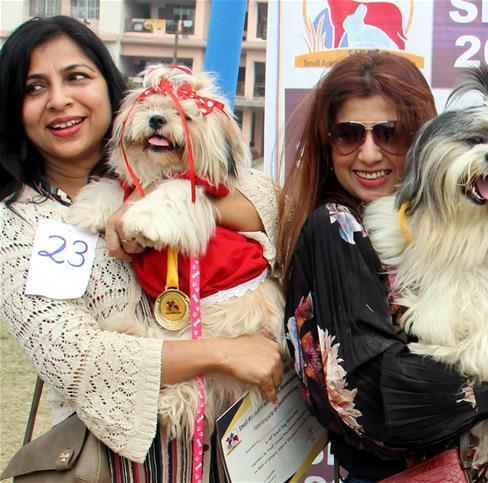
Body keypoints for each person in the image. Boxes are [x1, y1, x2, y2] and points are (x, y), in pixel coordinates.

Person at [278, 51, 488, 480]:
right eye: (348, 134)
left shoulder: (486, 219)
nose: (369, 153)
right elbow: (365, 397)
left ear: (421, 139)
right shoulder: (336, 230)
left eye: (389, 134)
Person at [0, 16, 283, 480]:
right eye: (35, 87)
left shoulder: (157, 163)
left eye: (76, 77)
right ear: (14, 107)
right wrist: (225, 353)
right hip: (111, 460)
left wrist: (170, 201)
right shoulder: (19, 223)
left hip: (226, 453)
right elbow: (76, 357)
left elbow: (271, 203)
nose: (59, 99)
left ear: (109, 88)